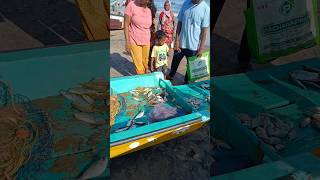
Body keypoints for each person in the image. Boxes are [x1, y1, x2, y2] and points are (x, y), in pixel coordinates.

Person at [167, 0, 210, 83]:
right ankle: (171, 75)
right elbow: (180, 22)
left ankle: (186, 82)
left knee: (190, 67)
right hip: (181, 43)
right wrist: (177, 40)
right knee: (175, 62)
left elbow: (204, 30)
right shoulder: (186, 3)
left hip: (193, 46)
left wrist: (201, 48)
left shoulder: (206, 9)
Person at [124, 0, 153, 74]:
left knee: (145, 64)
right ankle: (142, 83)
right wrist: (127, 42)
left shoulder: (149, 10)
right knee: (139, 67)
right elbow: (126, 24)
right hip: (134, 40)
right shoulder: (131, 5)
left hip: (146, 41)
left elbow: (149, 27)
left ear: (148, 1)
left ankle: (145, 81)